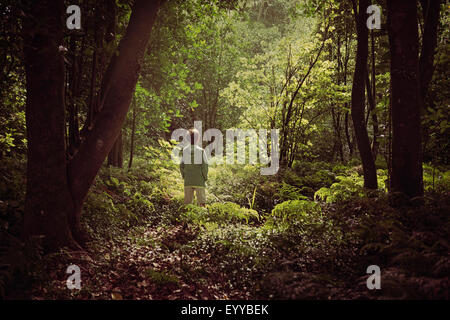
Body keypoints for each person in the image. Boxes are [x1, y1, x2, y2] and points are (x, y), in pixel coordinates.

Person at [180, 128, 208, 206]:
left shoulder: (185, 151)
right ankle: (201, 217)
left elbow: (181, 165)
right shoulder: (201, 151)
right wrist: (205, 177)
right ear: (197, 139)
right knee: (202, 203)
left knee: (187, 203)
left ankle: (187, 218)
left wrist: (184, 175)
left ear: (188, 139)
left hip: (188, 179)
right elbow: (205, 166)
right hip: (199, 179)